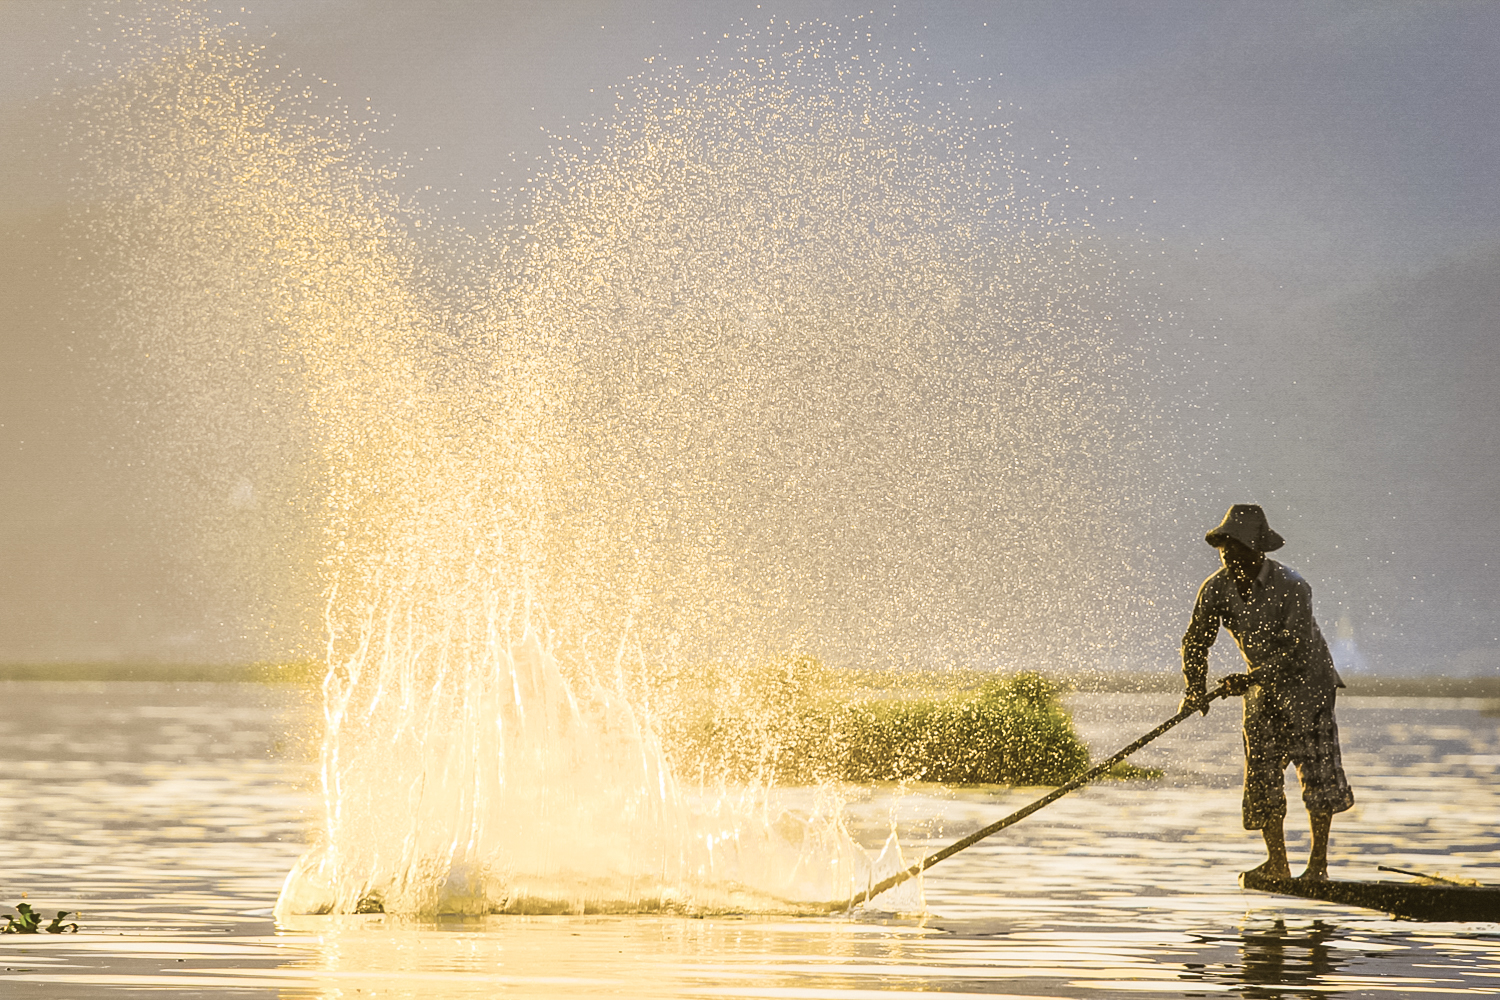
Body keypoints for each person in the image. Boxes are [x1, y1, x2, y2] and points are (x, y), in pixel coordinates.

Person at [1180, 504, 1354, 881]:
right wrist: (1195, 688)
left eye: (1238, 551)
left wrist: (1249, 678)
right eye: (1226, 552)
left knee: (1317, 774)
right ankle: (1278, 863)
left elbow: (1294, 650)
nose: (1231, 560)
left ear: (1257, 551)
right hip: (1261, 689)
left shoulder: (1293, 586)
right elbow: (1196, 641)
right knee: (1262, 776)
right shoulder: (1216, 588)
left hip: (1309, 687)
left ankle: (1317, 867)